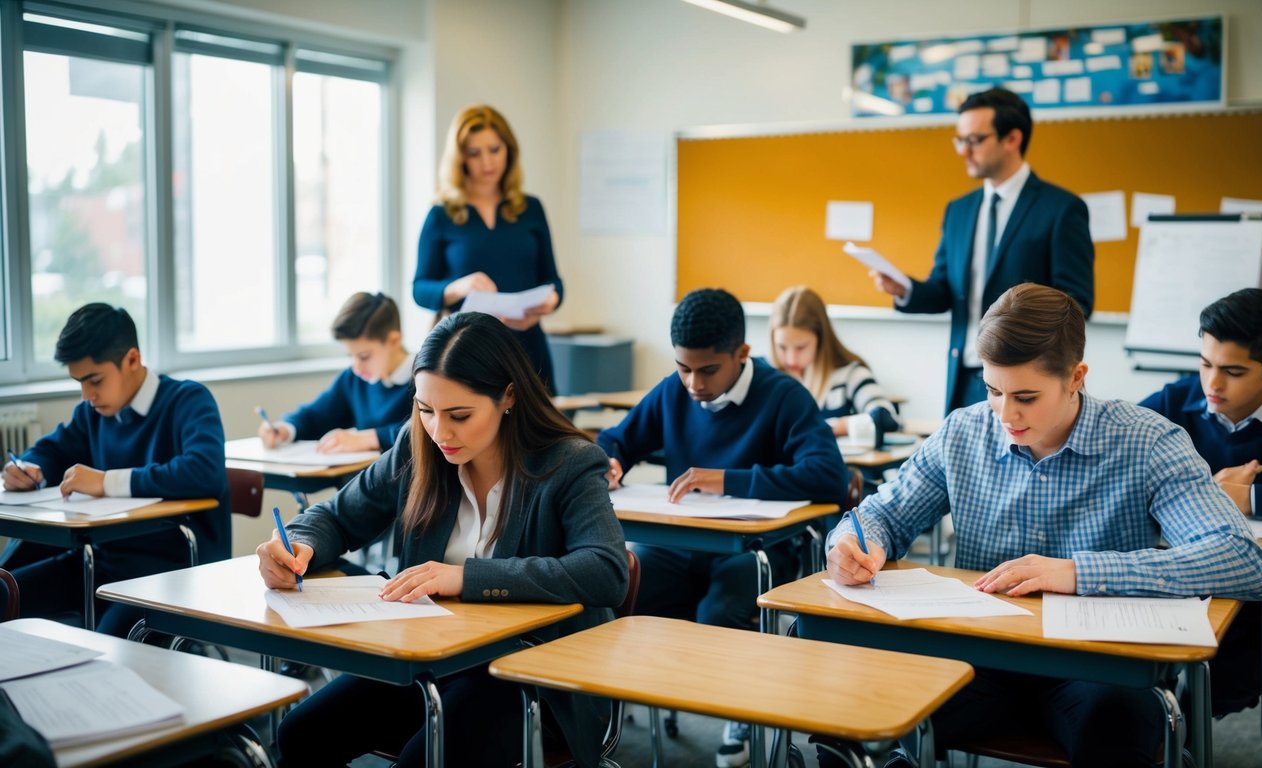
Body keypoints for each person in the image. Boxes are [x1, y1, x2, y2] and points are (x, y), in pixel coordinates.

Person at [825, 283, 1262, 768]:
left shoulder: (1149, 442)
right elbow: (881, 514)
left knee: (1115, 723)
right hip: (980, 661)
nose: (1006, 413)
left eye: (1027, 396)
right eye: (994, 390)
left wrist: (1077, 573)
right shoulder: (963, 432)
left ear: (1076, 377)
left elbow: (1243, 561)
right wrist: (852, 540)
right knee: (860, 701)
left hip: (1098, 669)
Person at [258, 311, 628, 768]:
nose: (439, 432)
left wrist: (465, 578)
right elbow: (336, 516)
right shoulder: (419, 448)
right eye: (425, 409)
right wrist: (296, 545)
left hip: (531, 678)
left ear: (508, 396)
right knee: (301, 736)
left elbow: (606, 571)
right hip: (432, 664)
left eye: (459, 415)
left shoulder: (569, 463)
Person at [596, 287, 845, 768]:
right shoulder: (674, 390)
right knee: (620, 586)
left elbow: (829, 476)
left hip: (755, 550)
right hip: (680, 546)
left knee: (722, 607)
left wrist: (728, 480)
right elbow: (617, 437)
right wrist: (611, 460)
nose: (692, 383)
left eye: (707, 370)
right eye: (683, 367)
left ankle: (737, 713)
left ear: (741, 354)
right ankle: (599, 723)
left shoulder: (782, 396)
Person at [1140, 287, 1262, 716]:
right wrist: (1210, 491)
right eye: (1205, 364)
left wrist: (1250, 497)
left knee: (1223, 661)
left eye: (1232, 370)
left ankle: (1180, 731)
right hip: (1181, 584)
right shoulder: (1173, 403)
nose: (1212, 383)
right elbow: (1114, 469)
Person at [1, 304, 229, 636]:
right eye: (79, 382)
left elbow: (204, 471)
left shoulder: (188, 400)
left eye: (94, 380)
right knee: (5, 595)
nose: (87, 395)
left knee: (107, 650)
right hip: (100, 561)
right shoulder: (93, 413)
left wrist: (107, 481)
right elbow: (51, 449)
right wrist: (26, 467)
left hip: (170, 571)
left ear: (132, 360)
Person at [866, 87, 1094, 414]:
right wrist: (906, 289)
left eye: (974, 140)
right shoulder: (958, 211)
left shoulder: (1061, 209)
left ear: (1012, 139)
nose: (963, 151)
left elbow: (1077, 303)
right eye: (959, 140)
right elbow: (945, 290)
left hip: (1028, 383)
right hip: (964, 375)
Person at [413, 104, 563, 393]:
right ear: (460, 159)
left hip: (527, 346)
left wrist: (550, 301)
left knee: (540, 433)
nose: (487, 162)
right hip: (468, 353)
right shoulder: (442, 214)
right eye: (474, 153)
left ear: (508, 150)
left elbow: (553, 280)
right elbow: (420, 289)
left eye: (494, 149)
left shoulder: (530, 209)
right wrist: (458, 287)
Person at [259, 292, 414, 453]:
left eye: (364, 356)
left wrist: (372, 438)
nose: (357, 367)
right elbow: (316, 415)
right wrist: (285, 429)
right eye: (350, 356)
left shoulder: (424, 378)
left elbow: (425, 432)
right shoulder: (353, 379)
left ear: (394, 341)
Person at [769, 285, 899, 437]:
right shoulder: (766, 377)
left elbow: (887, 418)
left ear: (821, 339)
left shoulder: (851, 375)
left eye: (801, 347)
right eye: (782, 347)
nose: (791, 359)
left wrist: (839, 426)